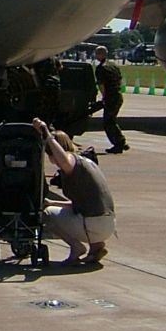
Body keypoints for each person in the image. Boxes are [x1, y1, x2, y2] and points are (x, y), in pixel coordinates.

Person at [35, 117, 116, 265]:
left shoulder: (71, 162)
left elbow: (64, 160)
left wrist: (47, 135)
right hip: (108, 224)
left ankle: (76, 247)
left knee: (47, 214)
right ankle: (96, 247)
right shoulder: (86, 162)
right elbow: (82, 203)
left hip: (93, 224)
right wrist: (53, 202)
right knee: (57, 208)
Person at [93, 45, 128, 153]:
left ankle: (119, 144)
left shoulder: (101, 68)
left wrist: (104, 97)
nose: (96, 56)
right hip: (118, 95)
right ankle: (121, 141)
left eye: (97, 54)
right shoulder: (113, 66)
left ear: (101, 54)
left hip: (111, 97)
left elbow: (101, 85)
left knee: (108, 122)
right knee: (111, 120)